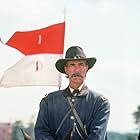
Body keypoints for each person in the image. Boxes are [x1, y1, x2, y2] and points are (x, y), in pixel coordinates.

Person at [34, 46, 110, 140]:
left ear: (87, 68)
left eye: (81, 64)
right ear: (66, 69)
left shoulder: (100, 103)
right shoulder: (48, 101)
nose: (77, 70)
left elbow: (97, 136)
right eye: (72, 65)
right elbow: (41, 131)